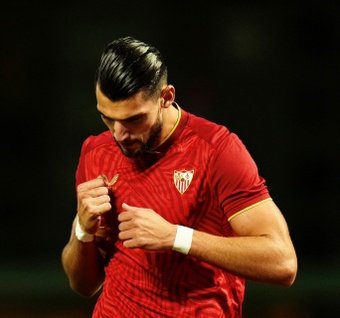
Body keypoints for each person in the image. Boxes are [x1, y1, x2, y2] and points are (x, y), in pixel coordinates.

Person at [61, 36, 297, 318]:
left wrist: (175, 236)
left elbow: (283, 262)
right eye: (107, 118)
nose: (119, 134)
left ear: (166, 97)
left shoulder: (217, 150)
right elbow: (83, 285)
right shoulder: (95, 152)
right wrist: (82, 231)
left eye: (133, 119)